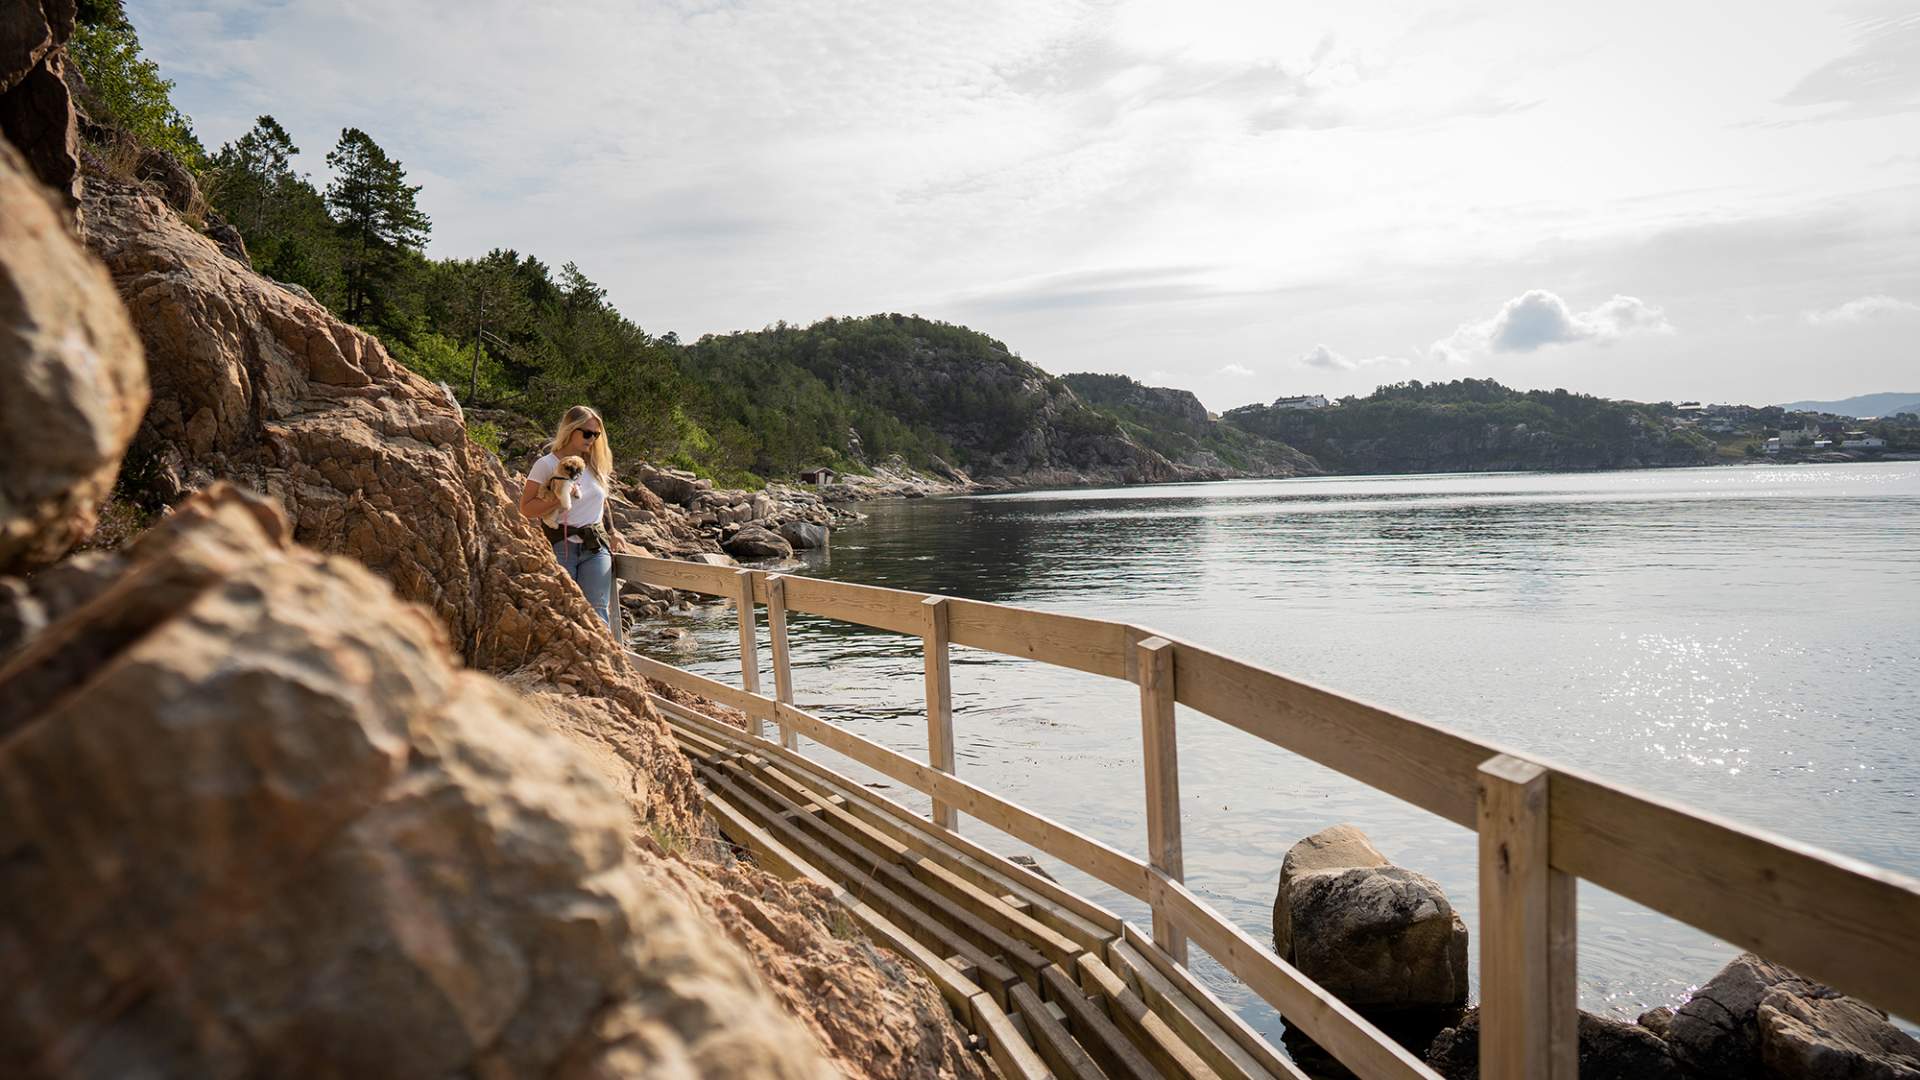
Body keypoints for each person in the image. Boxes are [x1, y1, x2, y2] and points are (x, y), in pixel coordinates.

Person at [520, 405, 616, 631]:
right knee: (563, 610)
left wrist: (613, 533)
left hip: (595, 546)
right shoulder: (546, 464)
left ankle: (600, 664)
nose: (592, 439)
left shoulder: (593, 465)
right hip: (560, 545)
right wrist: (560, 498)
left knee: (598, 611)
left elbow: (602, 501)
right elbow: (526, 508)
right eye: (587, 433)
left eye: (596, 434)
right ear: (570, 430)